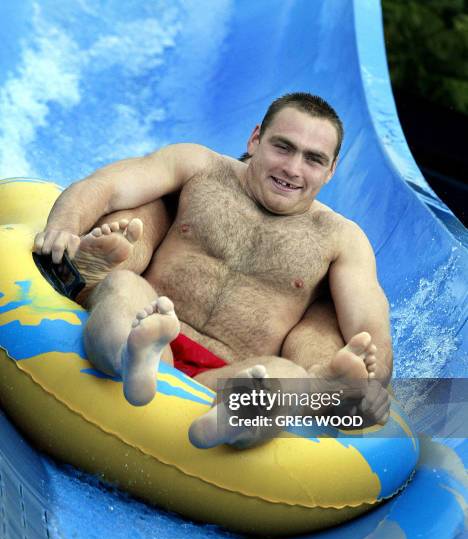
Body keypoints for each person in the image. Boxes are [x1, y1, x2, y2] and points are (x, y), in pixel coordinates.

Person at [33, 92, 393, 449]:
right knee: (124, 285)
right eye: (283, 147)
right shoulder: (200, 167)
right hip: (155, 322)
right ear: (255, 139)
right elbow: (107, 186)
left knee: (287, 377)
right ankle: (133, 356)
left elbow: (370, 336)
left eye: (313, 159)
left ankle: (227, 421)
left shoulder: (341, 239)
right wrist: (64, 226)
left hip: (232, 375)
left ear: (331, 170)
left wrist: (361, 389)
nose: (293, 168)